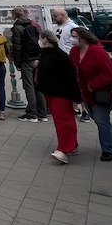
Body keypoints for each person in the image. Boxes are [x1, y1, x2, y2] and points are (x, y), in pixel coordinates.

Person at [71, 27, 112, 161]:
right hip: (85, 92)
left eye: (73, 36)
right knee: (99, 119)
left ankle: (108, 150)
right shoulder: (75, 51)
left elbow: (108, 74)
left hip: (102, 92)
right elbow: (71, 68)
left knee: (101, 120)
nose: (71, 39)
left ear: (83, 38)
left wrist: (92, 85)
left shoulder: (97, 51)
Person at [35, 30, 82, 164]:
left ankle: (64, 149)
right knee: (60, 119)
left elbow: (70, 77)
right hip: (50, 91)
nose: (40, 41)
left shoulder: (60, 56)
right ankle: (72, 145)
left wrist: (76, 97)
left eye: (41, 38)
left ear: (46, 39)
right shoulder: (45, 53)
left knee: (63, 119)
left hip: (62, 92)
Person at [52, 8, 91, 122]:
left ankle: (85, 111)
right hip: (61, 60)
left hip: (71, 59)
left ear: (63, 15)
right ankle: (74, 108)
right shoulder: (58, 27)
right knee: (68, 85)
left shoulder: (72, 27)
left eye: (56, 16)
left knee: (79, 85)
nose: (54, 18)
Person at [11, 7, 46, 122]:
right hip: (37, 58)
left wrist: (18, 63)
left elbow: (17, 47)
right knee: (39, 85)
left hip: (27, 59)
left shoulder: (17, 28)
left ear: (14, 15)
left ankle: (31, 113)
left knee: (29, 86)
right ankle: (42, 113)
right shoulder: (33, 24)